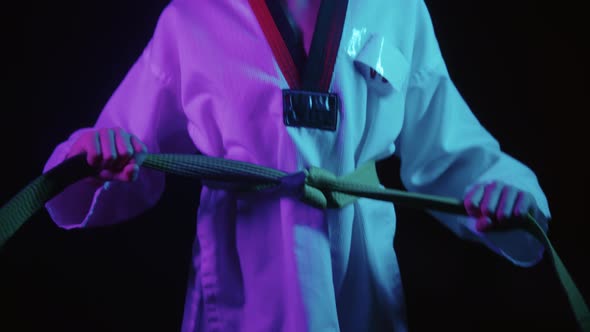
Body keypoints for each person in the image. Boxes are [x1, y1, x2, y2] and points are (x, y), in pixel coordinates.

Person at [42, 0, 551, 331]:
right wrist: (93, 155)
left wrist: (504, 194)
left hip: (359, 279)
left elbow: (454, 153)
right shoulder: (192, 18)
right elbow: (112, 151)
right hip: (244, 280)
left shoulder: (398, 10)